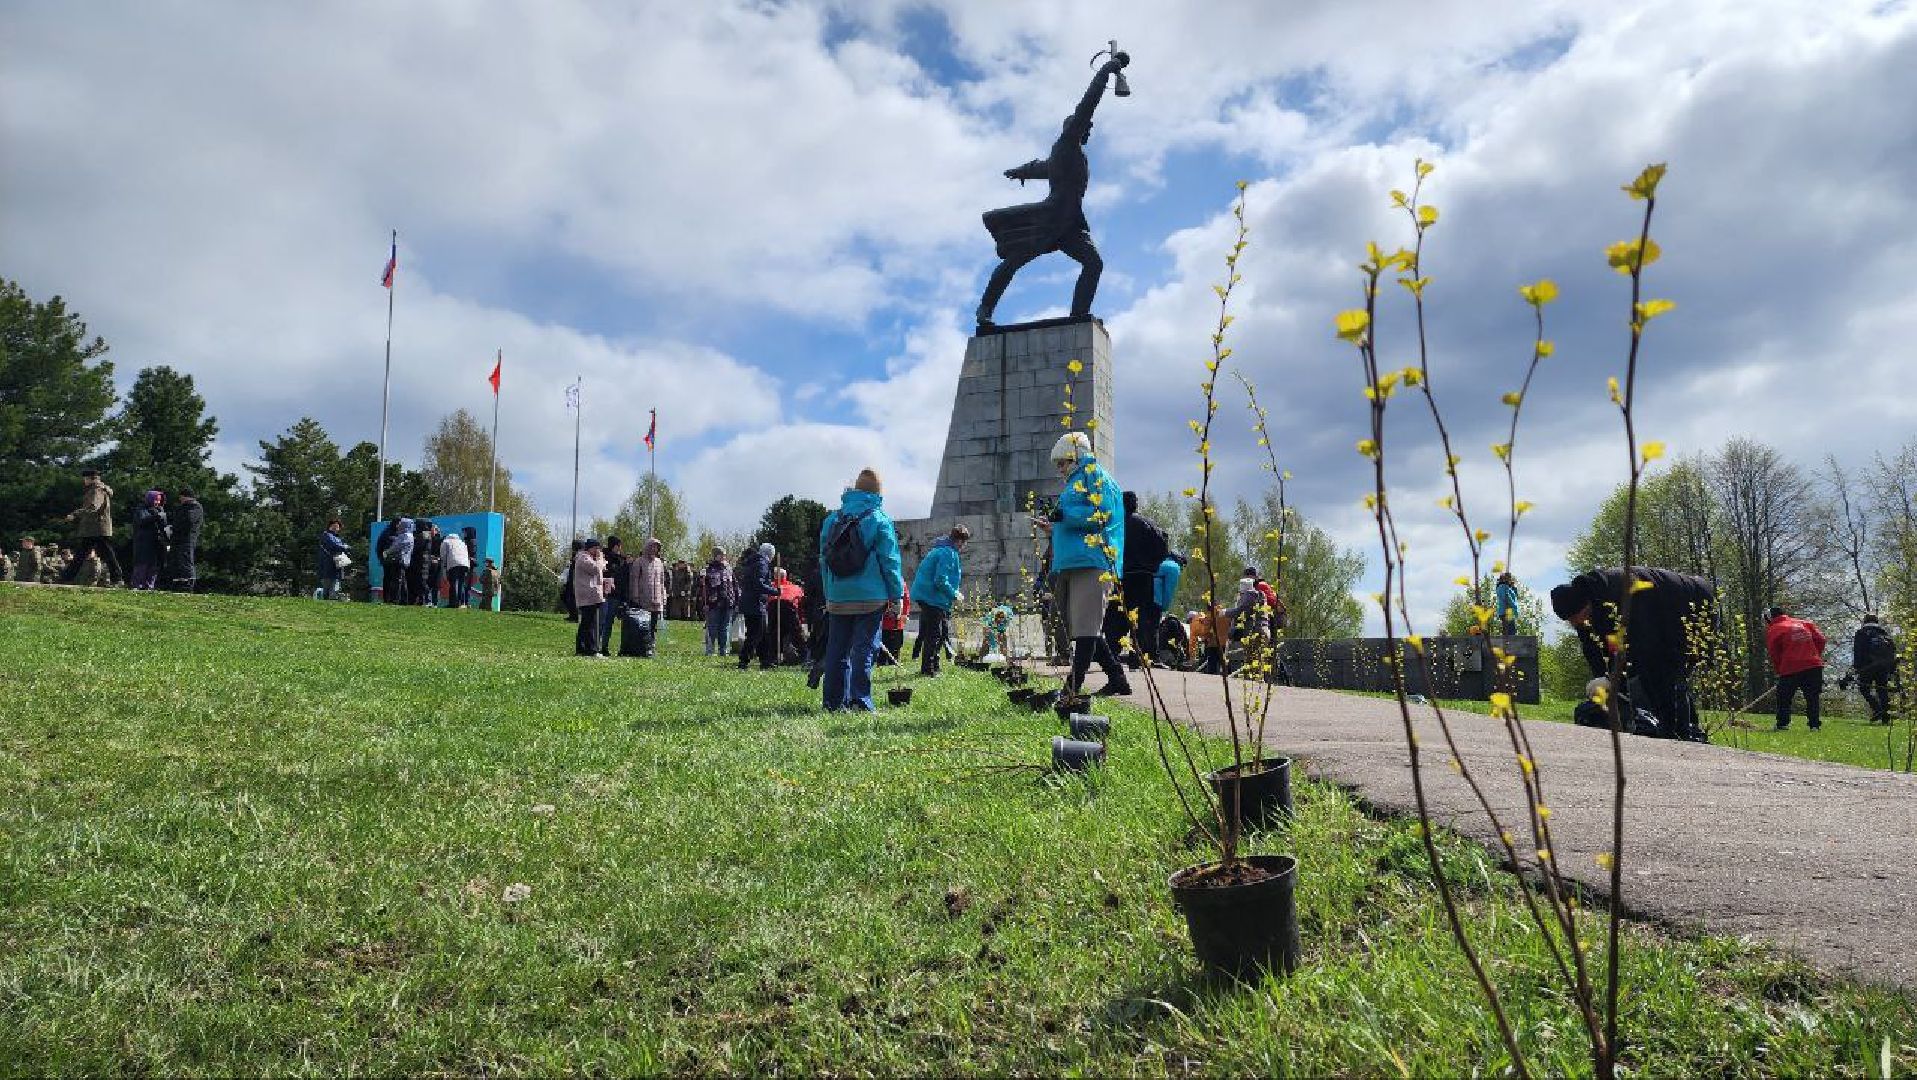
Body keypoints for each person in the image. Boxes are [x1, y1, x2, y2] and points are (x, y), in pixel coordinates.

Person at [975, 49, 1130, 328]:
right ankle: (984, 310)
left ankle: (1078, 315)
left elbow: (1043, 169)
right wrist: (1106, 71)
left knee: (1093, 264)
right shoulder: (1067, 144)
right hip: (1051, 218)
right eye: (1084, 126)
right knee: (1014, 261)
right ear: (1074, 128)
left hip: (1070, 224)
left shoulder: (1069, 154)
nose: (1088, 130)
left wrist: (1021, 171)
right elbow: (1087, 105)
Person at [1550, 567, 1714, 742]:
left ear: (1587, 603)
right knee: (1646, 678)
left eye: (1582, 616)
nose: (1581, 622)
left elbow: (1645, 648)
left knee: (1666, 673)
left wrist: (1616, 679)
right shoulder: (1587, 612)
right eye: (1574, 622)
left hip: (1690, 604)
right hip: (1662, 612)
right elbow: (1594, 649)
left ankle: (1680, 736)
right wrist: (1603, 679)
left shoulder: (1623, 590)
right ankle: (1665, 729)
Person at [1038, 432, 1130, 698]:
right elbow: (1074, 524)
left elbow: (1102, 514)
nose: (1060, 469)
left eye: (1063, 462)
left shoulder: (1096, 476)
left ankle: (1071, 691)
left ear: (1076, 457)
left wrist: (1063, 515)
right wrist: (1053, 527)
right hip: (1075, 561)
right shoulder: (1077, 481)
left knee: (1086, 629)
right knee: (1084, 628)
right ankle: (1117, 679)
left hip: (1092, 560)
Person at [818, 468, 905, 711]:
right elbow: (890, 561)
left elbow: (823, 560)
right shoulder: (879, 519)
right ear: (878, 493)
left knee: (837, 649)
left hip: (838, 596)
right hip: (870, 596)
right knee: (863, 649)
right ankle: (860, 700)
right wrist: (895, 595)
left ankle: (833, 703)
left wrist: (829, 594)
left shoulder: (832, 519)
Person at [1120, 491, 1171, 664]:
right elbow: (1163, 547)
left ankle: (1114, 649)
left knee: (1121, 615)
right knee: (1143, 616)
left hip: (1124, 575)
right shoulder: (1148, 524)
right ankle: (1139, 653)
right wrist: (1153, 564)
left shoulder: (1117, 524)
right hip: (1145, 575)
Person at [911, 524, 968, 676]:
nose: (963, 546)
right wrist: (954, 594)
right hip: (932, 598)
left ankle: (934, 666)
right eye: (964, 542)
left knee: (938, 632)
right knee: (934, 634)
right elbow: (940, 580)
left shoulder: (940, 549)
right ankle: (928, 669)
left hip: (927, 596)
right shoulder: (948, 553)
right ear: (960, 541)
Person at [1766, 605, 1827, 731]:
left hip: (1790, 667)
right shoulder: (1804, 623)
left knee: (1784, 697)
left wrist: (1779, 669)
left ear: (1769, 619)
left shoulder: (1774, 629)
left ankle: (1783, 724)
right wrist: (1814, 655)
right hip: (1813, 665)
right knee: (1812, 697)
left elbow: (1774, 653)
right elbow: (1821, 639)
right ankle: (1814, 725)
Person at [62, 469, 124, 586]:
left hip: (96, 528)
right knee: (83, 554)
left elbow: (93, 507)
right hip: (94, 528)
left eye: (85, 478)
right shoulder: (98, 489)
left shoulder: (96, 490)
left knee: (106, 554)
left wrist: (75, 514)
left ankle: (118, 578)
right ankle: (67, 577)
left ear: (90, 478)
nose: (84, 481)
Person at [735, 541, 779, 671]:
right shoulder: (762, 564)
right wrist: (774, 591)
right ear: (770, 554)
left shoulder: (752, 562)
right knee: (756, 633)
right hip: (755, 603)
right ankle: (744, 660)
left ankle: (765, 660)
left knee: (763, 633)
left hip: (750, 602)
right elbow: (758, 584)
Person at [1848, 614, 1899, 725]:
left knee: (1864, 688)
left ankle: (1877, 709)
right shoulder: (1884, 634)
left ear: (1865, 621)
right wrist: (1892, 669)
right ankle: (1886, 717)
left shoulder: (1862, 633)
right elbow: (1893, 652)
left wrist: (1857, 667)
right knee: (1882, 690)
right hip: (1884, 667)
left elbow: (1858, 651)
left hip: (1868, 666)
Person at [621, 538, 667, 658]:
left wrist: (663, 596)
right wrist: (635, 596)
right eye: (652, 546)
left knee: (654, 625)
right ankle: (643, 646)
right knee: (643, 625)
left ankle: (651, 646)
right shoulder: (639, 562)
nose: (654, 549)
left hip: (657, 600)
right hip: (643, 599)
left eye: (656, 547)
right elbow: (634, 579)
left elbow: (662, 581)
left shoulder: (659, 563)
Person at [571, 539, 608, 657]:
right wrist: (600, 559)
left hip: (590, 595)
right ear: (590, 548)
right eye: (597, 548)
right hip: (587, 596)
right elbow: (596, 569)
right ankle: (591, 650)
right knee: (589, 624)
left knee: (587, 623)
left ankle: (582, 649)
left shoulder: (587, 558)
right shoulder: (583, 558)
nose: (598, 551)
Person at [127, 490, 170, 590]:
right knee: (142, 565)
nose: (157, 503)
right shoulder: (141, 509)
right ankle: (137, 585)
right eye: (156, 500)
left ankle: (150, 586)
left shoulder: (160, 510)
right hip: (143, 542)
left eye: (159, 500)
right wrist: (155, 517)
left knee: (154, 566)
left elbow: (164, 526)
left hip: (156, 543)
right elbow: (141, 521)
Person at [701, 547, 737, 657]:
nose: (723, 557)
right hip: (713, 603)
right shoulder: (708, 569)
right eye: (721, 555)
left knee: (725, 627)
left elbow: (735, 585)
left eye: (724, 555)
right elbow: (703, 589)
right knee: (712, 627)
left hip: (728, 602)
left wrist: (736, 601)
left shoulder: (729, 569)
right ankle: (710, 650)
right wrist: (704, 603)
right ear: (715, 556)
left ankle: (723, 650)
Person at [165, 489, 203, 592]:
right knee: (176, 562)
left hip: (187, 539)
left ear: (186, 496)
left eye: (181, 497)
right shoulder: (183, 508)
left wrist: (174, 527)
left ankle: (188, 585)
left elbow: (189, 520)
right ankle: (178, 584)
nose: (180, 499)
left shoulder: (195, 507)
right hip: (177, 539)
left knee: (186, 562)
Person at [599, 536, 627, 656]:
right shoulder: (602, 557)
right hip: (604, 593)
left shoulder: (621, 560)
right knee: (602, 621)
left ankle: (604, 646)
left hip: (616, 595)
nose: (620, 548)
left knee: (609, 622)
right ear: (615, 545)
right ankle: (597, 645)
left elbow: (623, 577)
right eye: (618, 545)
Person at [316, 520, 351, 600]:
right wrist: (345, 547)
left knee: (335, 584)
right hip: (328, 564)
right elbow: (334, 546)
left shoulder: (337, 538)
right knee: (327, 585)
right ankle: (328, 601)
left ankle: (331, 600)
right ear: (330, 526)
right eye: (335, 526)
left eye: (338, 527)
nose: (336, 528)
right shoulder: (326, 535)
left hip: (337, 564)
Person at [877, 585, 911, 666]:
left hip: (898, 623)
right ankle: (881, 662)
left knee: (896, 644)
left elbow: (906, 600)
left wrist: (905, 614)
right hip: (884, 623)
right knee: (883, 644)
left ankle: (893, 662)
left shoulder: (902, 584)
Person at [440, 527, 472, 608]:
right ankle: (460, 603)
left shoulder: (446, 542)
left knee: (453, 584)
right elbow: (467, 555)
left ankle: (453, 603)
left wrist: (444, 570)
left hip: (453, 564)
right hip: (465, 564)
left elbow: (443, 556)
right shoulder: (462, 542)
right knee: (461, 584)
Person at [1494, 572, 1522, 636]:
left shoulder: (1507, 587)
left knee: (1509, 630)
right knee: (1511, 631)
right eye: (1509, 579)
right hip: (1506, 611)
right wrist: (1514, 607)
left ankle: (1507, 643)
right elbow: (1507, 598)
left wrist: (1513, 587)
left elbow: (1515, 596)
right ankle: (1509, 644)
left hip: (1507, 611)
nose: (1510, 580)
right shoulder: (1503, 587)